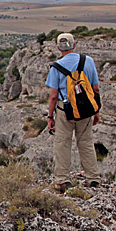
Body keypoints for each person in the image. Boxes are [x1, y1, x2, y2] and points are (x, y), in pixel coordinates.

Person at [45, 33, 101, 193]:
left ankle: (63, 181)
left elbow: (53, 95)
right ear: (74, 45)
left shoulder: (56, 67)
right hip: (86, 110)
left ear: (58, 47)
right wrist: (96, 111)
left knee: (62, 144)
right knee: (86, 143)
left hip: (65, 110)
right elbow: (95, 89)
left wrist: (50, 117)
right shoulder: (88, 61)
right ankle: (93, 179)